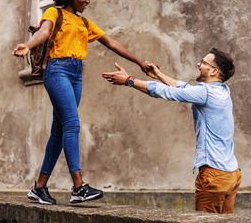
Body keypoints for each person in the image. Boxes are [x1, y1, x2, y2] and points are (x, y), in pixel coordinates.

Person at [12, 0, 153, 205]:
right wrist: (28, 45)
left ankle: (38, 188)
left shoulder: (84, 22)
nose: (87, 0)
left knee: (58, 132)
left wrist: (140, 62)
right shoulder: (53, 12)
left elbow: (111, 42)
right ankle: (79, 187)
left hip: (76, 73)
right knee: (72, 124)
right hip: (57, 70)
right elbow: (44, 32)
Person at [101, 48, 241, 214]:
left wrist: (129, 80)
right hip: (231, 174)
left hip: (214, 175)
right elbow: (184, 88)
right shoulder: (222, 90)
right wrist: (158, 74)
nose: (199, 64)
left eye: (203, 62)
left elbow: (169, 93)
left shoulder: (206, 92)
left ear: (214, 71)